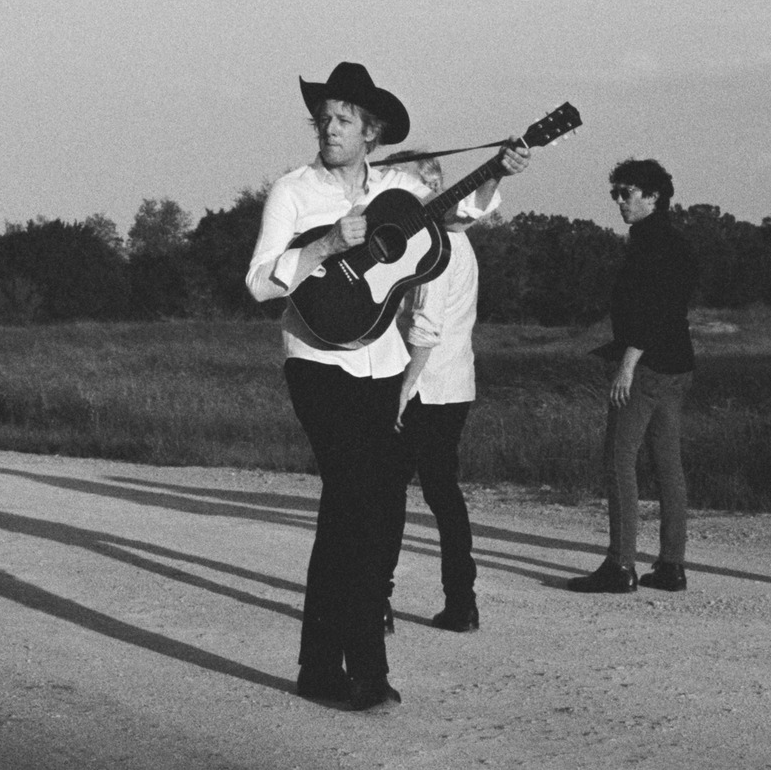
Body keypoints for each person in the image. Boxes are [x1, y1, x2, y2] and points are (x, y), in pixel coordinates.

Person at [247, 63, 526, 714]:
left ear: (370, 132)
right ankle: (357, 668)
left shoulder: (397, 187)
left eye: (343, 120)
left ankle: (330, 667)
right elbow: (260, 281)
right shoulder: (292, 191)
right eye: (324, 118)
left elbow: (457, 214)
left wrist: (499, 174)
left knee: (369, 513)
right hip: (317, 362)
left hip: (383, 363)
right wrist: (324, 245)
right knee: (353, 501)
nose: (330, 129)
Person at [568, 158, 698, 595]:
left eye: (627, 193)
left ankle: (620, 565)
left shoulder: (650, 244)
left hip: (646, 367)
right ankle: (672, 566)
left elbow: (654, 309)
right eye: (615, 194)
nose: (619, 201)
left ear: (653, 196)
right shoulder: (674, 241)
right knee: (667, 464)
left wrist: (627, 364)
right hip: (677, 364)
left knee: (619, 460)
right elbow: (671, 309)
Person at [383, 154, 483, 635]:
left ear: (434, 186)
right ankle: (461, 603)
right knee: (443, 492)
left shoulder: (436, 243)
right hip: (454, 384)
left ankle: (377, 601)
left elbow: (426, 326)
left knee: (390, 491)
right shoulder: (455, 238)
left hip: (425, 386)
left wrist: (403, 388)